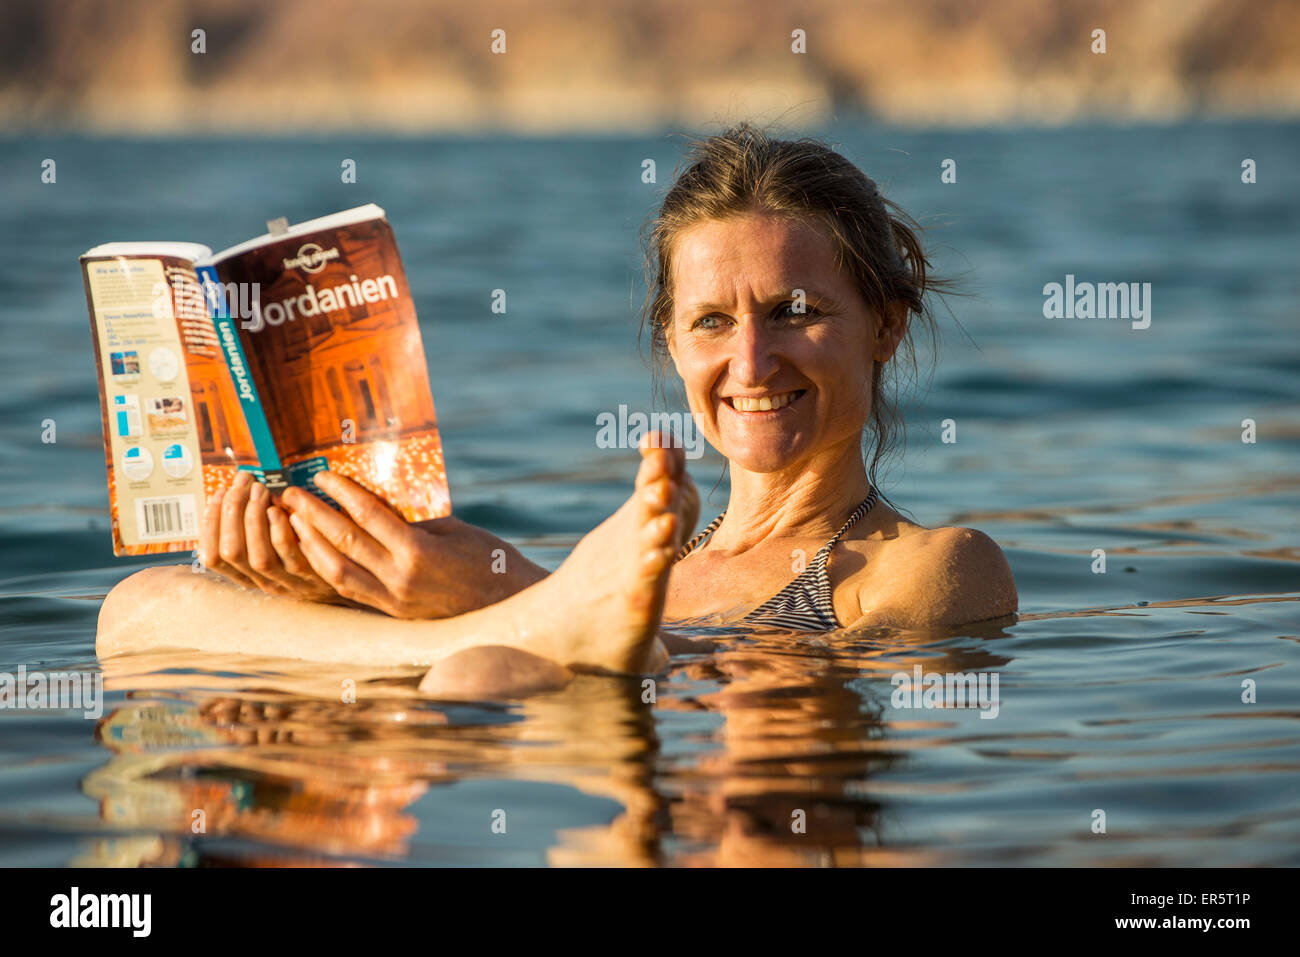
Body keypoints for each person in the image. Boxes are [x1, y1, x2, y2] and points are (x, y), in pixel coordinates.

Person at [97, 122, 1017, 694]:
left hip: (637, 802)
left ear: (886, 327)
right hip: (490, 720)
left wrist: (507, 593)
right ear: (671, 343)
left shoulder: (935, 565)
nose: (750, 360)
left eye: (796, 313)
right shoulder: (643, 557)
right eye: (709, 321)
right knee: (138, 608)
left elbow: (816, 698)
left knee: (484, 666)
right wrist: (333, 580)